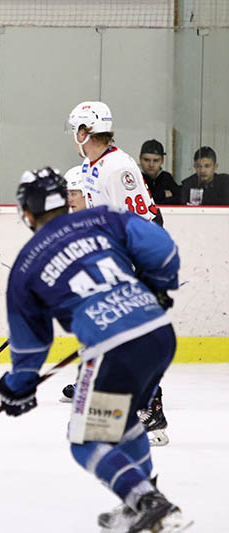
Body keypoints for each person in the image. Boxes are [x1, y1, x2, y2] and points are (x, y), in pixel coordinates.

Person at [0, 167, 191, 532]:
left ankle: (146, 501)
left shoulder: (26, 265)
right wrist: (161, 286)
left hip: (112, 350)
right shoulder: (102, 218)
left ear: (27, 213)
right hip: (158, 336)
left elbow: (31, 345)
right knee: (124, 420)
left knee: (86, 440)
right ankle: (141, 501)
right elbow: (161, 249)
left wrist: (18, 386)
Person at [64, 102, 170, 445]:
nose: (73, 138)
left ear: (85, 132)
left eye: (75, 131)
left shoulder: (118, 168)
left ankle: (151, 409)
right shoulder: (90, 165)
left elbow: (147, 221)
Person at [139, 139, 180, 205]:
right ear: (140, 159)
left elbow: (179, 199)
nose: (151, 165)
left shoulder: (166, 177)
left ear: (162, 160)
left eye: (155, 160)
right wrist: (163, 194)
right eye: (146, 160)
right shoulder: (134, 178)